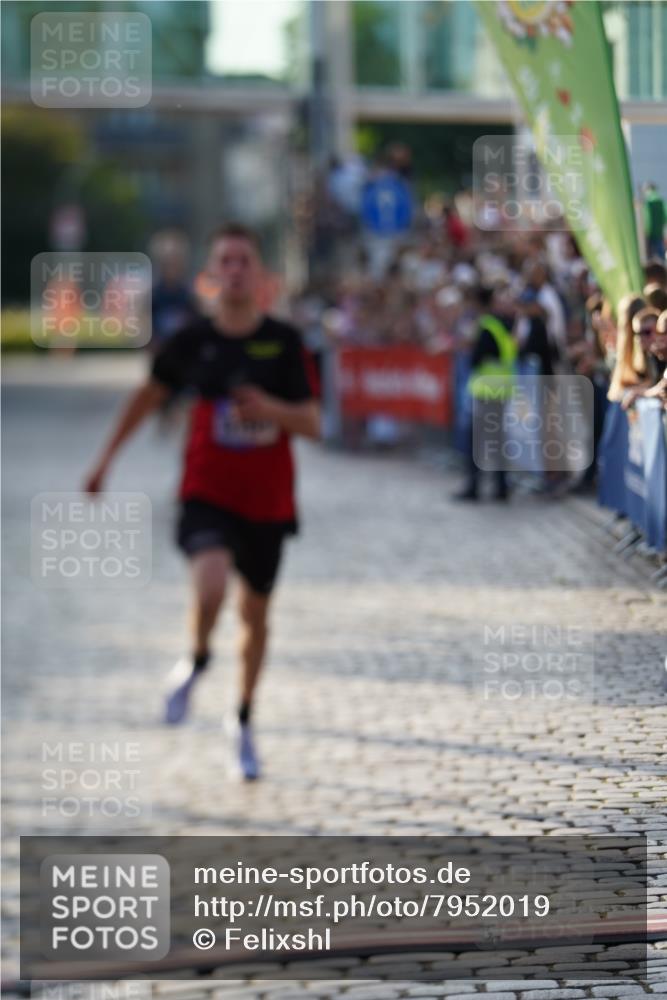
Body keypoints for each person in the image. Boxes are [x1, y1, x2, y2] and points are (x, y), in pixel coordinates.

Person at [84, 223, 320, 779]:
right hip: (206, 491)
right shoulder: (191, 341)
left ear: (258, 274)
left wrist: (269, 408)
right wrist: (103, 462)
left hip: (268, 501)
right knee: (211, 584)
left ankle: (242, 718)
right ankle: (195, 660)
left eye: (244, 261)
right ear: (213, 275)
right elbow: (148, 398)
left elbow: (312, 423)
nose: (235, 270)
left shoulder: (284, 342)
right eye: (225, 262)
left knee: (255, 617)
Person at [453, 285, 517, 502]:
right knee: (497, 441)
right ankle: (501, 487)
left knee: (477, 443)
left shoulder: (487, 326)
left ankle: (474, 486)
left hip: (486, 391)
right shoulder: (505, 325)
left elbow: (476, 358)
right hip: (501, 390)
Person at [643, 182, 666, 261]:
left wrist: (646, 232)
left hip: (650, 234)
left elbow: (646, 218)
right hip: (659, 233)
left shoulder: (648, 202)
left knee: (650, 258)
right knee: (661, 255)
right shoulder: (661, 201)